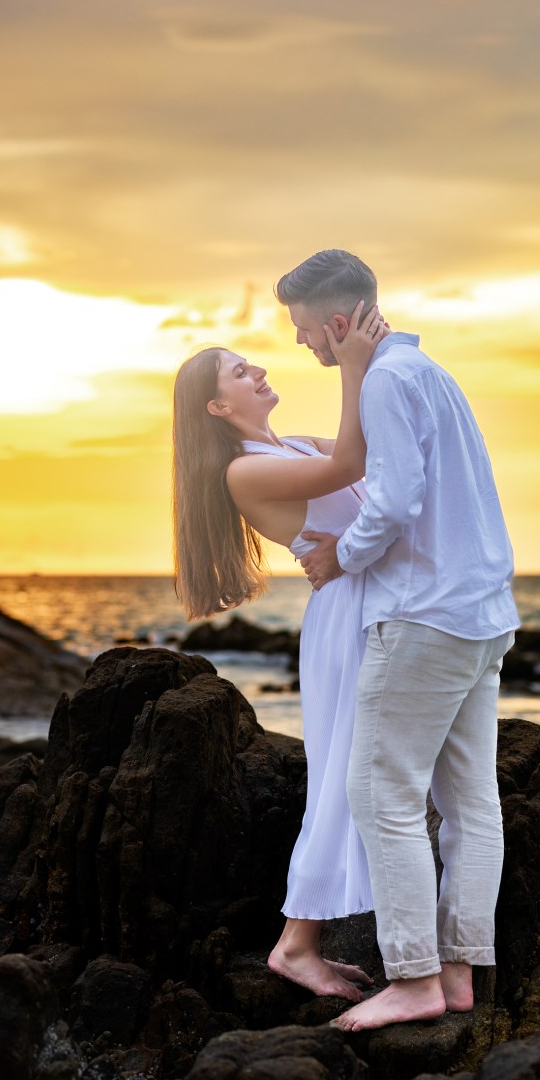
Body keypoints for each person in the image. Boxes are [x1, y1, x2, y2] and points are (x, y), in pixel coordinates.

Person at [276, 249, 520, 1031]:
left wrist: (336, 556)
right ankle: (455, 974)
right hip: (482, 616)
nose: (304, 345)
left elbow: (393, 498)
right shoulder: (430, 374)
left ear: (340, 323)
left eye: (307, 331)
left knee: (381, 795)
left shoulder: (383, 380)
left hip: (421, 616)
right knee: (470, 804)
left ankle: (413, 977)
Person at [171, 302, 388, 1002]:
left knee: (375, 773)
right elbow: (353, 461)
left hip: (372, 606)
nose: (258, 368)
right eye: (240, 370)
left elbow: (375, 465)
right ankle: (296, 944)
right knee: (344, 780)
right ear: (216, 404)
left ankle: (378, 929)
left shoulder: (292, 442)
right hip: (347, 619)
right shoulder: (244, 473)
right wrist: (352, 364)